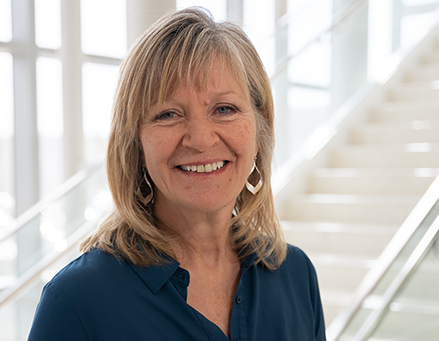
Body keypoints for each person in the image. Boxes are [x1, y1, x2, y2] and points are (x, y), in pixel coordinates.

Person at [28, 7, 325, 341]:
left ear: (259, 129)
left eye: (224, 109)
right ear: (135, 146)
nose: (200, 139)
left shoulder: (294, 274)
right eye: (168, 114)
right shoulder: (78, 301)